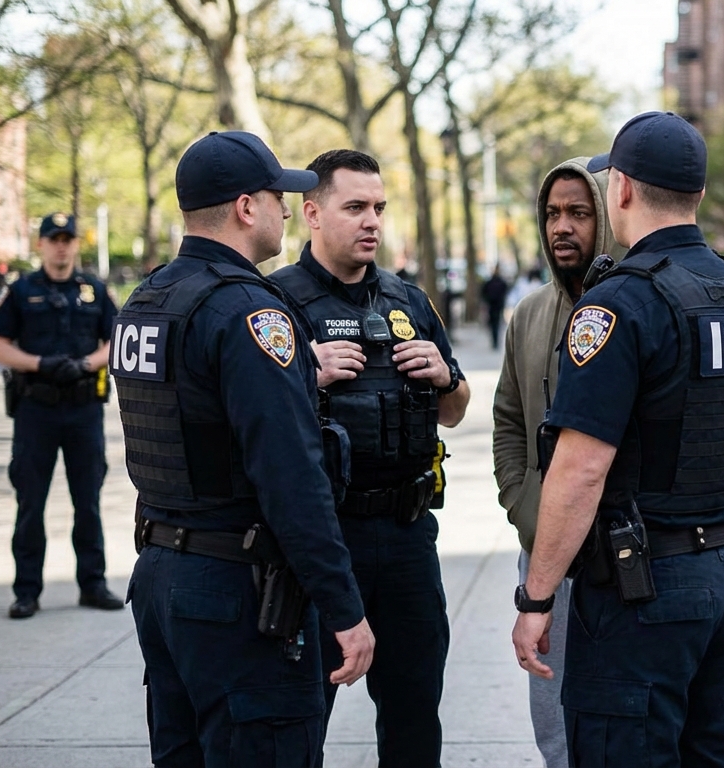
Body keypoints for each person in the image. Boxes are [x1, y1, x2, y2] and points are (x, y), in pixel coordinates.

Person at [510, 111, 724, 766]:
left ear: (620, 188)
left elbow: (578, 471)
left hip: (642, 588)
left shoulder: (618, 307)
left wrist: (537, 597)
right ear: (699, 194)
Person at [111, 131, 374, 766]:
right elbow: (291, 476)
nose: (287, 209)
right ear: (245, 207)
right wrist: (345, 607)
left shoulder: (145, 302)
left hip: (163, 575)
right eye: (278, 196)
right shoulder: (249, 313)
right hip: (238, 591)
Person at [270, 149, 469, 768]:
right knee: (299, 717)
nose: (371, 221)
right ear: (312, 213)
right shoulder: (274, 302)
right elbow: (245, 426)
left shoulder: (407, 300)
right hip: (324, 541)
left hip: (409, 536)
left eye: (379, 207)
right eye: (354, 206)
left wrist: (444, 378)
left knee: (414, 712)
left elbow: (456, 408)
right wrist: (306, 375)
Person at [493, 155, 625, 767]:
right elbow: (509, 420)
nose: (562, 227)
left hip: (623, 551)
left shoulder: (629, 306)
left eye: (577, 212)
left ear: (603, 216)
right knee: (553, 723)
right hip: (544, 548)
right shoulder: (528, 314)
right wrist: (524, 504)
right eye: (552, 214)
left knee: (621, 719)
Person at [0, 213, 122, 619]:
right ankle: (26, 590)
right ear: (41, 244)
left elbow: (115, 340)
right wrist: (39, 363)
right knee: (31, 502)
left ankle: (93, 584)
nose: (61, 246)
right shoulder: (21, 291)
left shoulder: (94, 290)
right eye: (53, 239)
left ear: (75, 244)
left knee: (88, 502)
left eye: (67, 239)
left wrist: (85, 365)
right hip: (36, 411)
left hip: (82, 408)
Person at [481, 269, 509, 349]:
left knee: (493, 324)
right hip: (498, 306)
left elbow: (483, 292)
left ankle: (494, 341)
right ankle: (495, 341)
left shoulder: (489, 282)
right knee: (496, 323)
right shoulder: (501, 282)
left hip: (492, 305)